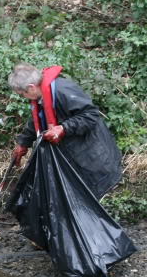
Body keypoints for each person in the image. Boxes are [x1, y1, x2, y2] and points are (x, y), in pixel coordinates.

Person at [8, 62, 122, 199]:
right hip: (72, 154)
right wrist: (23, 143)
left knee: (92, 196)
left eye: (22, 94)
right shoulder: (40, 96)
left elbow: (91, 116)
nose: (23, 97)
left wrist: (63, 128)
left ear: (31, 88)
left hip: (92, 154)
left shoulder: (63, 91)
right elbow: (36, 120)